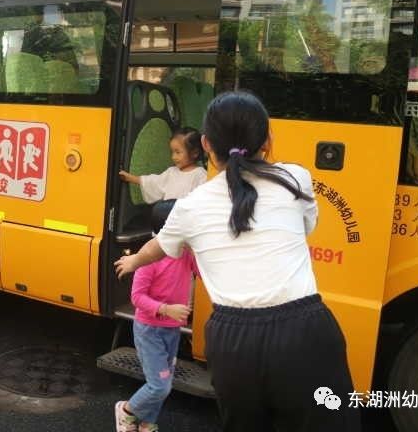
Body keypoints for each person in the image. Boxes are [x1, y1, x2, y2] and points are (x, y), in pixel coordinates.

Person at [115, 91, 360, 432]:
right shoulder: (295, 178)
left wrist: (134, 261)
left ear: (206, 145)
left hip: (233, 341)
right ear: (268, 140)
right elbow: (308, 225)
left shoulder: (191, 205)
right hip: (304, 332)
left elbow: (157, 246)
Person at [115, 200, 198, 432]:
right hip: (149, 330)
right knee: (160, 386)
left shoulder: (184, 253)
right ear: (170, 228)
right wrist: (166, 309)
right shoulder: (148, 258)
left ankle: (147, 423)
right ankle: (127, 410)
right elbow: (137, 298)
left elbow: (202, 271)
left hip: (171, 330)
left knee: (162, 381)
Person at [119, 127, 206, 203]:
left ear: (195, 153)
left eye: (178, 152)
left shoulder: (200, 175)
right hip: (169, 219)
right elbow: (153, 182)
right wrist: (130, 178)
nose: (173, 157)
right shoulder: (171, 172)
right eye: (172, 152)